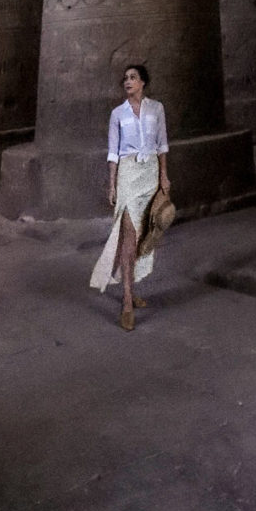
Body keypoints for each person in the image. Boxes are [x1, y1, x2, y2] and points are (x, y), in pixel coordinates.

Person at [89, 64, 170, 330]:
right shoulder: (117, 114)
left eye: (133, 77)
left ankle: (130, 289)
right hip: (127, 174)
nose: (128, 81)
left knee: (143, 234)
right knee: (128, 234)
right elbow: (113, 151)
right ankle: (126, 300)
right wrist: (112, 184)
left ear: (143, 82)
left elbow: (162, 145)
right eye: (125, 78)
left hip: (149, 174)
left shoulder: (156, 108)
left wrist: (163, 177)